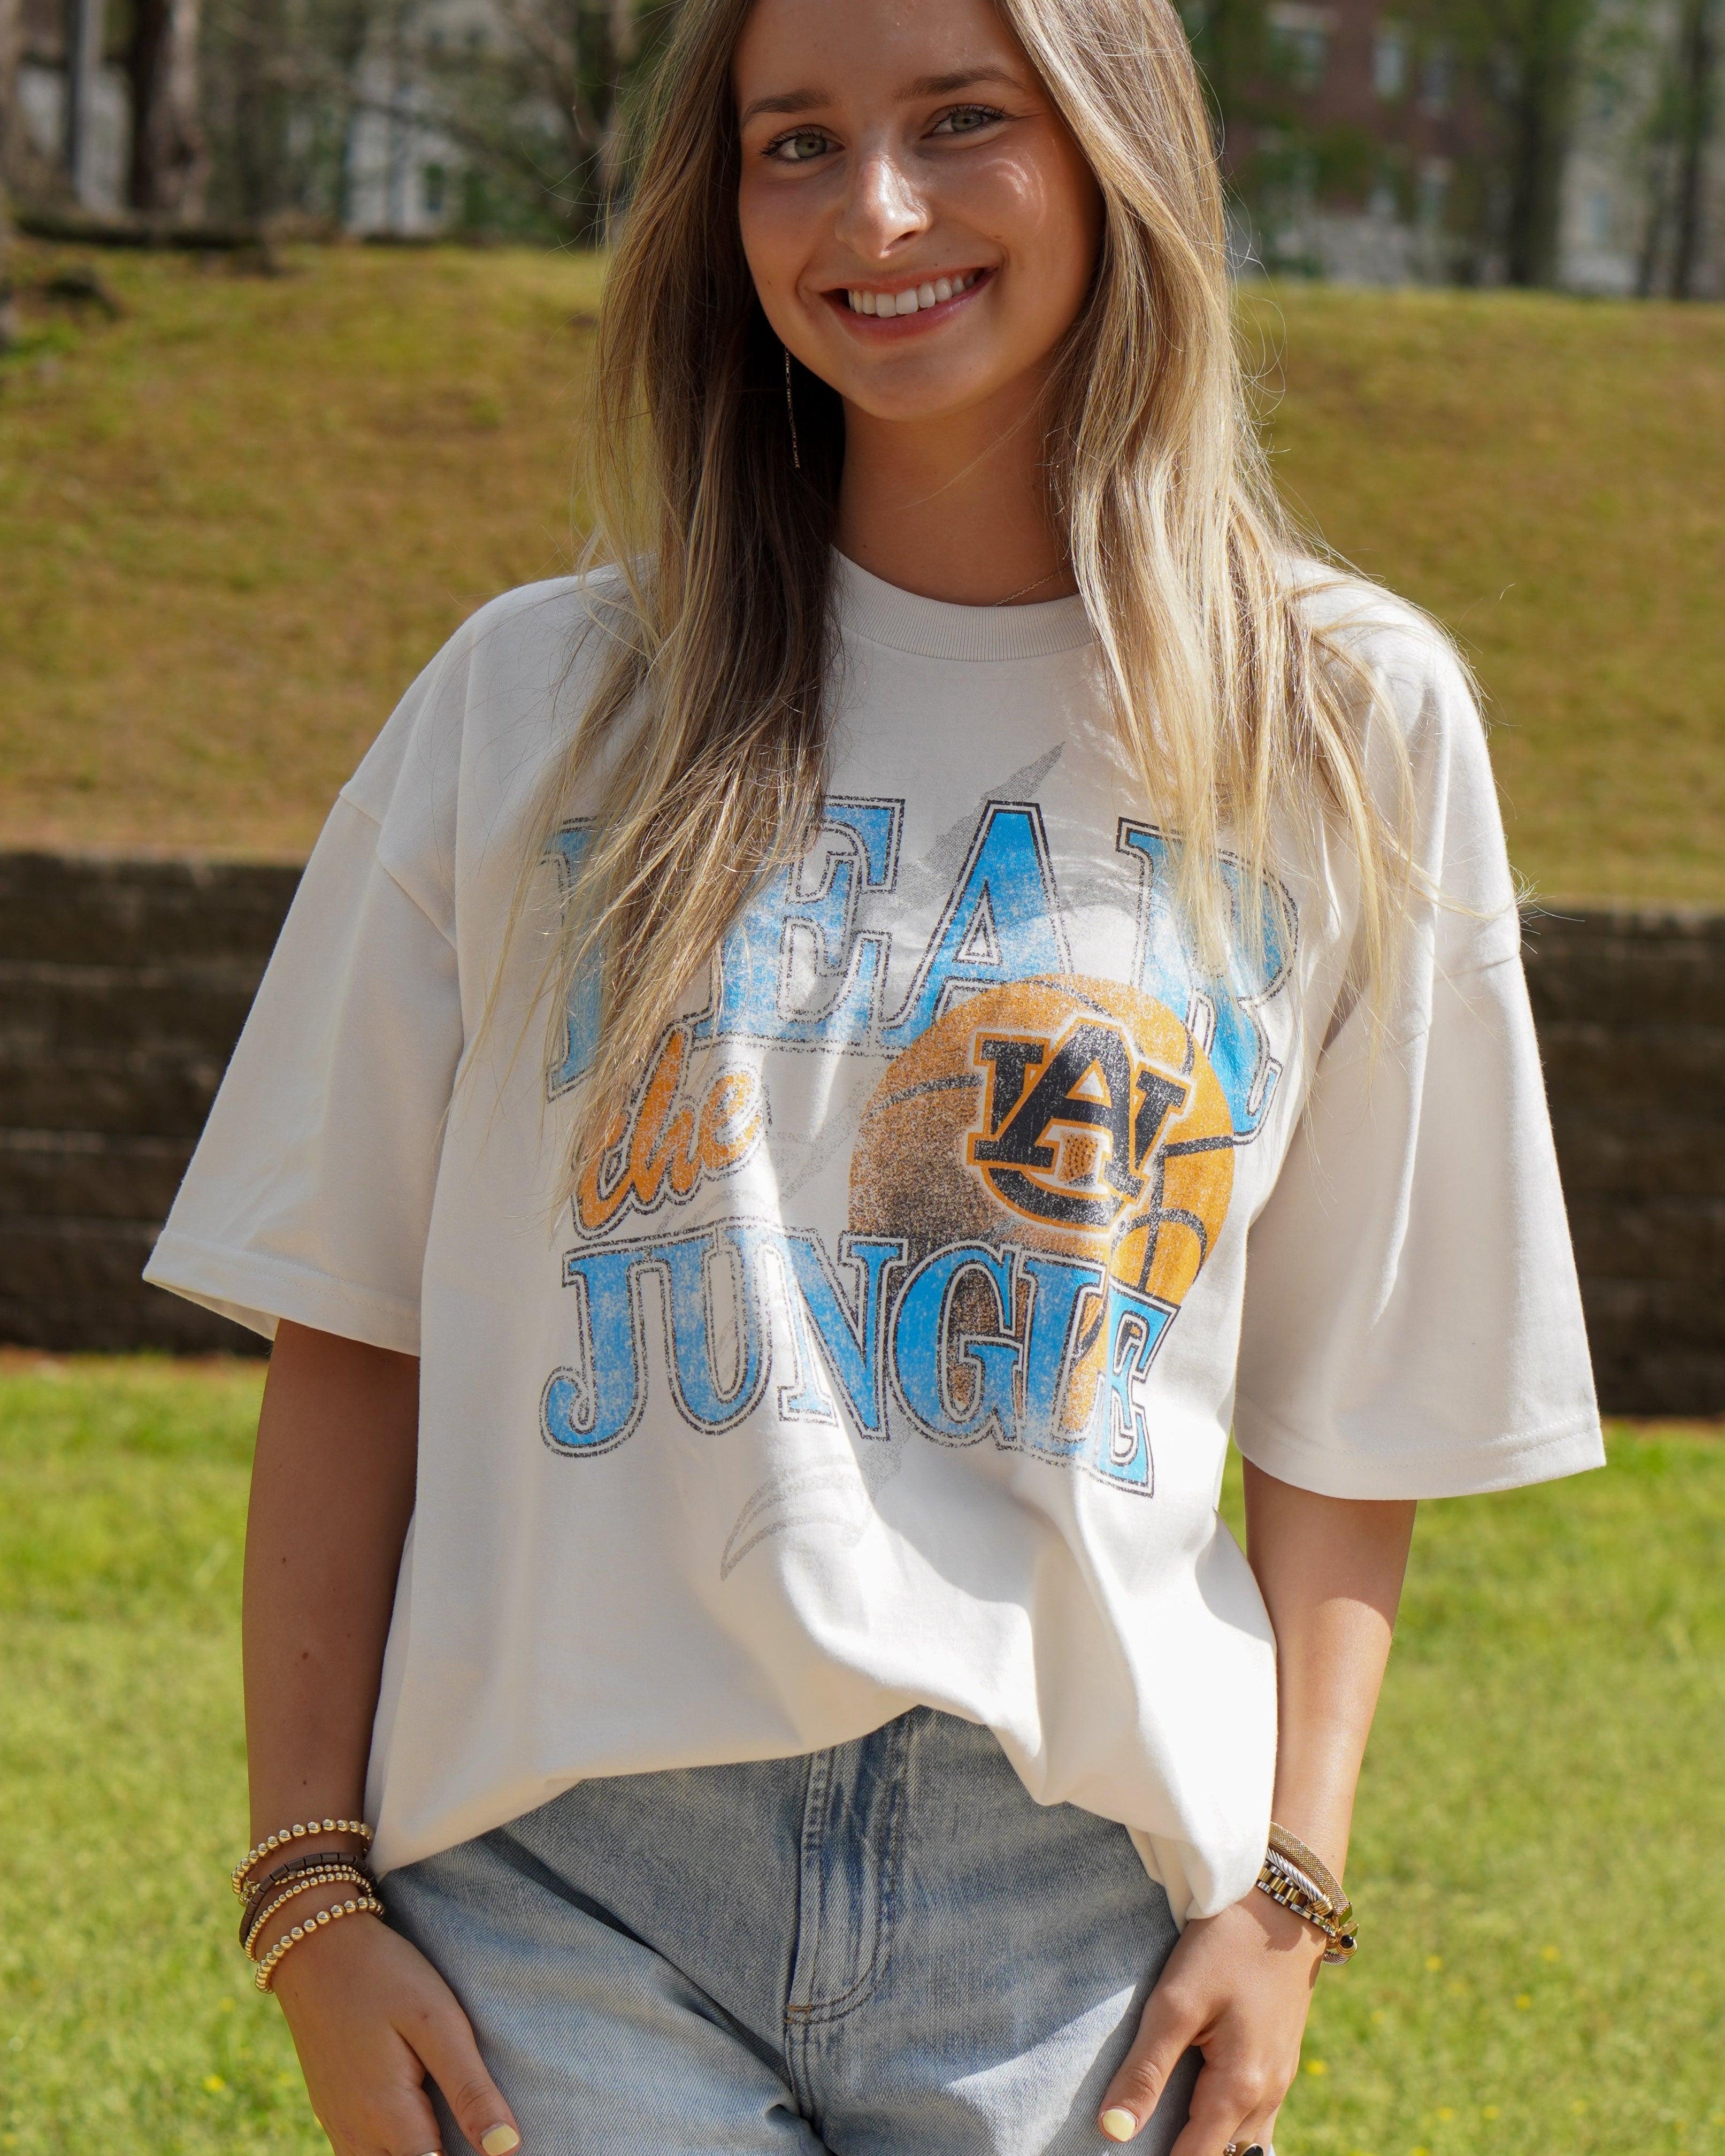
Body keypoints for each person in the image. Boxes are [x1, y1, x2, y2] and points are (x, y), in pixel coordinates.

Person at [145, 0, 1605, 2150]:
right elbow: (343, 1323)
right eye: (795, 142)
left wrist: (1292, 1890)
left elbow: (1346, 1404)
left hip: (1069, 1927)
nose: (878, 211)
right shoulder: (535, 703)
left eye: (961, 124)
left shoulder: (1344, 720)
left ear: (1117, 147)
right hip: (558, 1896)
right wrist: (308, 1885)